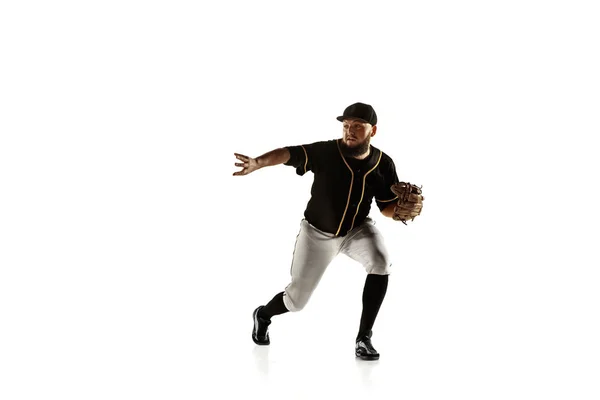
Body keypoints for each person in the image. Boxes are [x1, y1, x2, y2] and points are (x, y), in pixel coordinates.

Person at [233, 102, 403, 360]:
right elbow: (288, 153)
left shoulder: (383, 163)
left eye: (358, 126)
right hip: (317, 233)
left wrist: (401, 209)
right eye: (346, 125)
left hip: (357, 229)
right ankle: (263, 314)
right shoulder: (326, 151)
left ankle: (363, 338)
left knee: (381, 262)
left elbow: (387, 208)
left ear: (373, 131)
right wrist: (259, 162)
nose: (350, 131)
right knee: (296, 301)